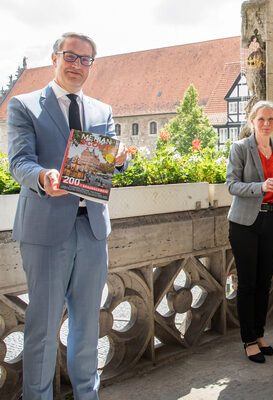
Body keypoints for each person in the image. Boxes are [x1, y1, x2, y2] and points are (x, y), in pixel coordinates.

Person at [7, 32, 127, 399]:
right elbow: (19, 162)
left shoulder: (101, 110)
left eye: (85, 59)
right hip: (45, 229)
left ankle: (86, 394)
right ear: (54, 58)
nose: (77, 65)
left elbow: (105, 166)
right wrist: (43, 177)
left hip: (92, 229)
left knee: (88, 323)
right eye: (70, 57)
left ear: (92, 65)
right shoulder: (23, 105)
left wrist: (119, 161)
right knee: (42, 328)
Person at [226, 100, 273, 363]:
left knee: (265, 282)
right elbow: (232, 185)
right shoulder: (240, 148)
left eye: (270, 119)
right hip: (245, 224)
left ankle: (260, 333)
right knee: (248, 283)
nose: (266, 124)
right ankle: (249, 339)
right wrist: (260, 187)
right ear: (252, 121)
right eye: (261, 119)